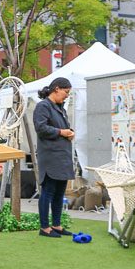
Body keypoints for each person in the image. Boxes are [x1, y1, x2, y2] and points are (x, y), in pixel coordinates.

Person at [33, 77, 75, 238]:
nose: (67, 96)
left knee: (59, 193)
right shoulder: (43, 106)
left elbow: (61, 128)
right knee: (48, 191)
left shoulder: (60, 107)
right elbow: (41, 128)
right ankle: (44, 228)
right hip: (50, 157)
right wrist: (61, 132)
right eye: (66, 92)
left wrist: (69, 132)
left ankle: (56, 225)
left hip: (62, 157)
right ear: (56, 89)